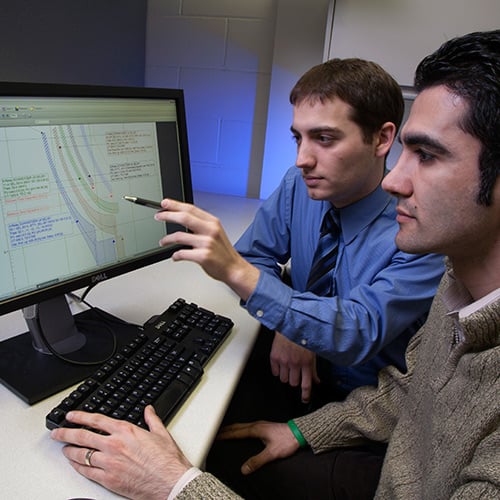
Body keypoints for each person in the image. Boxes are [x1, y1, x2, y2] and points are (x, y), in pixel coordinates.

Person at [51, 29, 500, 499]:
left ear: (380, 139)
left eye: (426, 155)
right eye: (298, 138)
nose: (303, 159)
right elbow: (413, 393)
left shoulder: (427, 240)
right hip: (340, 400)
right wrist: (291, 324)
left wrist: (175, 485)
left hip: (356, 403)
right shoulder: (460, 287)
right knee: (202, 419)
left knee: (209, 454)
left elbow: (357, 330)